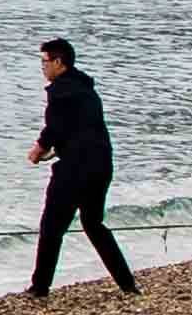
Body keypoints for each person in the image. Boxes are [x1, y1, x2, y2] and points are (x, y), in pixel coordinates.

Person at [24, 37, 136, 297]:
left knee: (51, 226)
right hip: (101, 165)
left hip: (76, 169)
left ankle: (39, 287)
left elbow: (53, 129)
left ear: (59, 62)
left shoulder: (60, 91)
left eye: (45, 62)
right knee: (94, 224)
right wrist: (57, 150)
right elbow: (79, 128)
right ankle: (127, 285)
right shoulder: (85, 88)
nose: (43, 68)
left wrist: (37, 151)